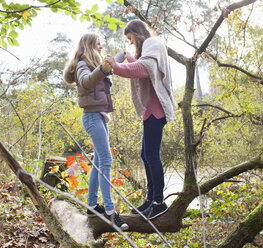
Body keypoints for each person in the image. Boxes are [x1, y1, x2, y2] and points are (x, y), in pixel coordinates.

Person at [105, 20, 177, 220]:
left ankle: (159, 203)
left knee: (151, 155)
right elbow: (139, 65)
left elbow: (143, 69)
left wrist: (116, 66)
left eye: (130, 38)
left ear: (137, 33)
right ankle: (151, 198)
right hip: (150, 111)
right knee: (145, 154)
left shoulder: (152, 43)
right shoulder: (148, 47)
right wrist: (127, 58)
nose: (131, 42)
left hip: (157, 110)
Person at [63, 33, 128, 230]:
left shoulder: (91, 63)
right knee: (106, 160)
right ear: (90, 46)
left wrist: (121, 55)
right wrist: (103, 68)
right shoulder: (83, 64)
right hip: (92, 117)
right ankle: (110, 211)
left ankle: (92, 206)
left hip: (100, 116)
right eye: (98, 44)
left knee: (99, 162)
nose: (101, 47)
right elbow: (86, 81)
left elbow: (106, 66)